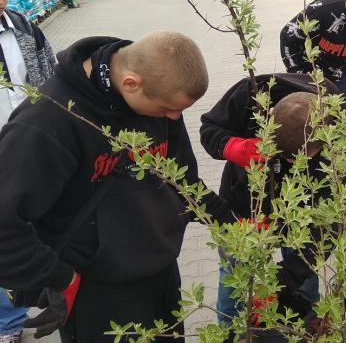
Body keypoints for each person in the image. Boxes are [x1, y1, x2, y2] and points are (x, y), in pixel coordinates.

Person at [0, 31, 236, 342]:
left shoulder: (157, 91)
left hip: (161, 271)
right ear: (130, 84)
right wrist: (59, 278)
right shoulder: (46, 121)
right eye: (167, 109)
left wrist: (231, 223)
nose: (174, 117)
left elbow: (181, 179)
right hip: (97, 288)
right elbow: (5, 221)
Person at [200, 73, 337, 335]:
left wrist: (284, 280)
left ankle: (306, 329)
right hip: (243, 205)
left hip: (300, 212)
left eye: (302, 160)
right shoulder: (249, 93)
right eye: (284, 157)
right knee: (235, 280)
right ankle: (229, 332)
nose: (292, 165)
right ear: (269, 118)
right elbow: (209, 128)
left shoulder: (335, 118)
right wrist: (232, 147)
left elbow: (327, 228)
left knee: (304, 282)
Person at [0, 0, 56, 343]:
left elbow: (51, 77)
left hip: (24, 148)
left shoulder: (23, 28)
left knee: (21, 228)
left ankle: (15, 315)